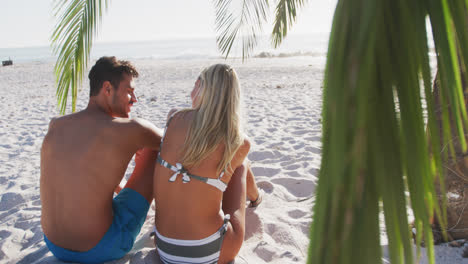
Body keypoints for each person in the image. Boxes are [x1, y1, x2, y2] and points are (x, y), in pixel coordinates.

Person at [40, 56, 162, 263]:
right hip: (101, 248)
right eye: (129, 91)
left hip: (54, 244)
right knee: (153, 150)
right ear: (107, 88)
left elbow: (85, 176)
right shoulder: (131, 129)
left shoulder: (56, 125)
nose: (135, 99)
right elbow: (175, 143)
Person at [153, 64, 262, 264]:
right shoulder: (238, 141)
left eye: (195, 85)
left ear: (200, 87)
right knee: (240, 164)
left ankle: (255, 195)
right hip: (207, 252)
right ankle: (256, 197)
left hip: (164, 247)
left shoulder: (174, 117)